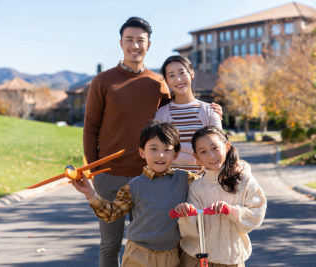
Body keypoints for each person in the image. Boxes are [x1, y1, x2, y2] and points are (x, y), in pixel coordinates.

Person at [82, 17, 222, 266]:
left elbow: (178, 108)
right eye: (129, 40)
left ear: (149, 45)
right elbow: (91, 126)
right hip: (109, 175)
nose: (135, 45)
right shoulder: (102, 81)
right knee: (110, 244)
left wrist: (212, 111)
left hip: (149, 176)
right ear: (121, 43)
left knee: (151, 240)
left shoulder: (158, 83)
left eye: (140, 40)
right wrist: (94, 169)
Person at [73, 121, 198, 267]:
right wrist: (89, 193)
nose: (160, 155)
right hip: (138, 255)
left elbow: (210, 184)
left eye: (167, 150)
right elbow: (110, 213)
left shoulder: (185, 179)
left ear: (176, 154)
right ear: (142, 152)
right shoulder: (134, 185)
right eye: (153, 149)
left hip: (169, 256)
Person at [174, 126, 267, 267]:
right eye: (203, 152)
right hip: (197, 259)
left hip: (232, 259)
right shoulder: (197, 187)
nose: (211, 156)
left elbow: (256, 213)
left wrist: (231, 211)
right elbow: (192, 232)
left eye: (215, 148)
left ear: (227, 147)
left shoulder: (244, 178)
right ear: (197, 157)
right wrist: (186, 213)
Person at [155, 55, 222, 172]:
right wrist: (201, 154)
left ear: (192, 73)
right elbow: (160, 153)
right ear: (166, 81)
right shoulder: (161, 115)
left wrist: (174, 149)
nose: (178, 79)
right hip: (171, 186)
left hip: (204, 185)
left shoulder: (210, 111)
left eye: (182, 73)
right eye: (171, 76)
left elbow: (218, 150)